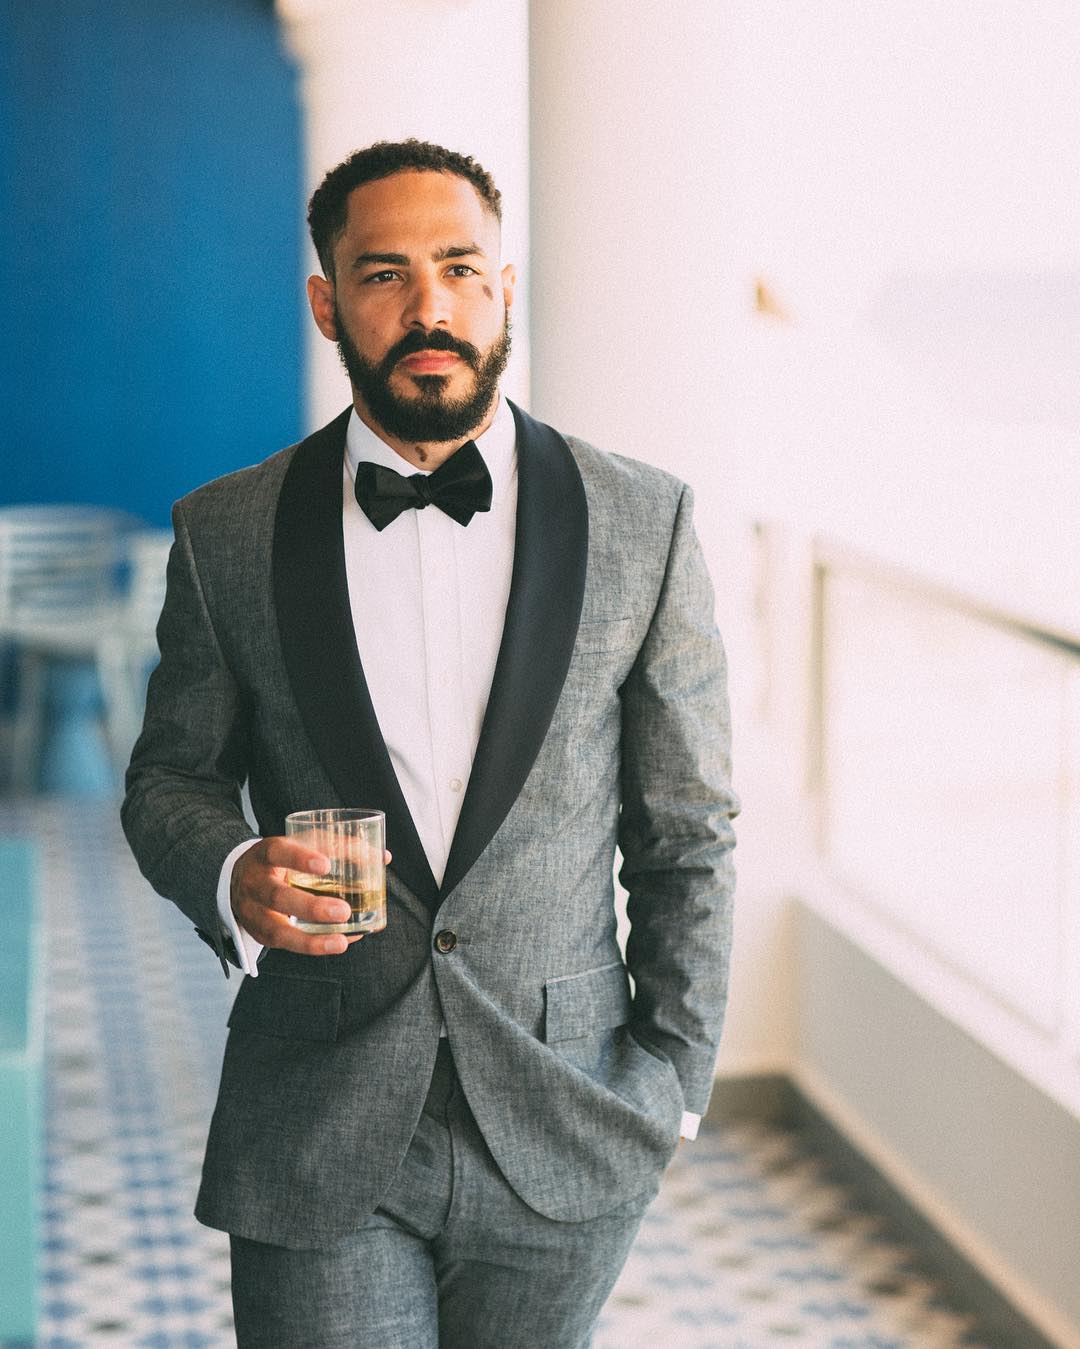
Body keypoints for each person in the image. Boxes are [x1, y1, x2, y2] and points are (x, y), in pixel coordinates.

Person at [122, 138, 738, 1349]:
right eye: (384, 273)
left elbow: (687, 827)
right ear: (327, 301)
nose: (429, 307)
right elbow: (171, 779)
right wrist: (232, 873)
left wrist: (671, 1085)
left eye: (460, 268)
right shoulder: (225, 531)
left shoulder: (643, 520)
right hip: (318, 1103)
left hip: (568, 1119)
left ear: (506, 284)